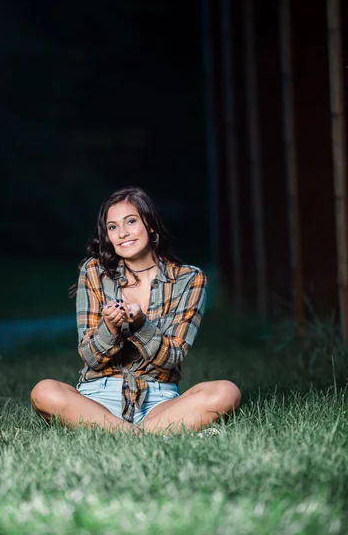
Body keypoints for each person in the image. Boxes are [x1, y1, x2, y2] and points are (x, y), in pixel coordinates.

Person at [30, 186, 241, 436]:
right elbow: (90, 358)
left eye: (131, 221)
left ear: (150, 225)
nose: (122, 233)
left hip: (159, 401)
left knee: (226, 392)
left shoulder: (189, 279)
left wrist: (141, 325)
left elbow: (173, 357)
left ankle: (121, 433)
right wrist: (109, 328)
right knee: (44, 391)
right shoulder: (94, 272)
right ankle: (142, 435)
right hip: (97, 400)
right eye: (112, 227)